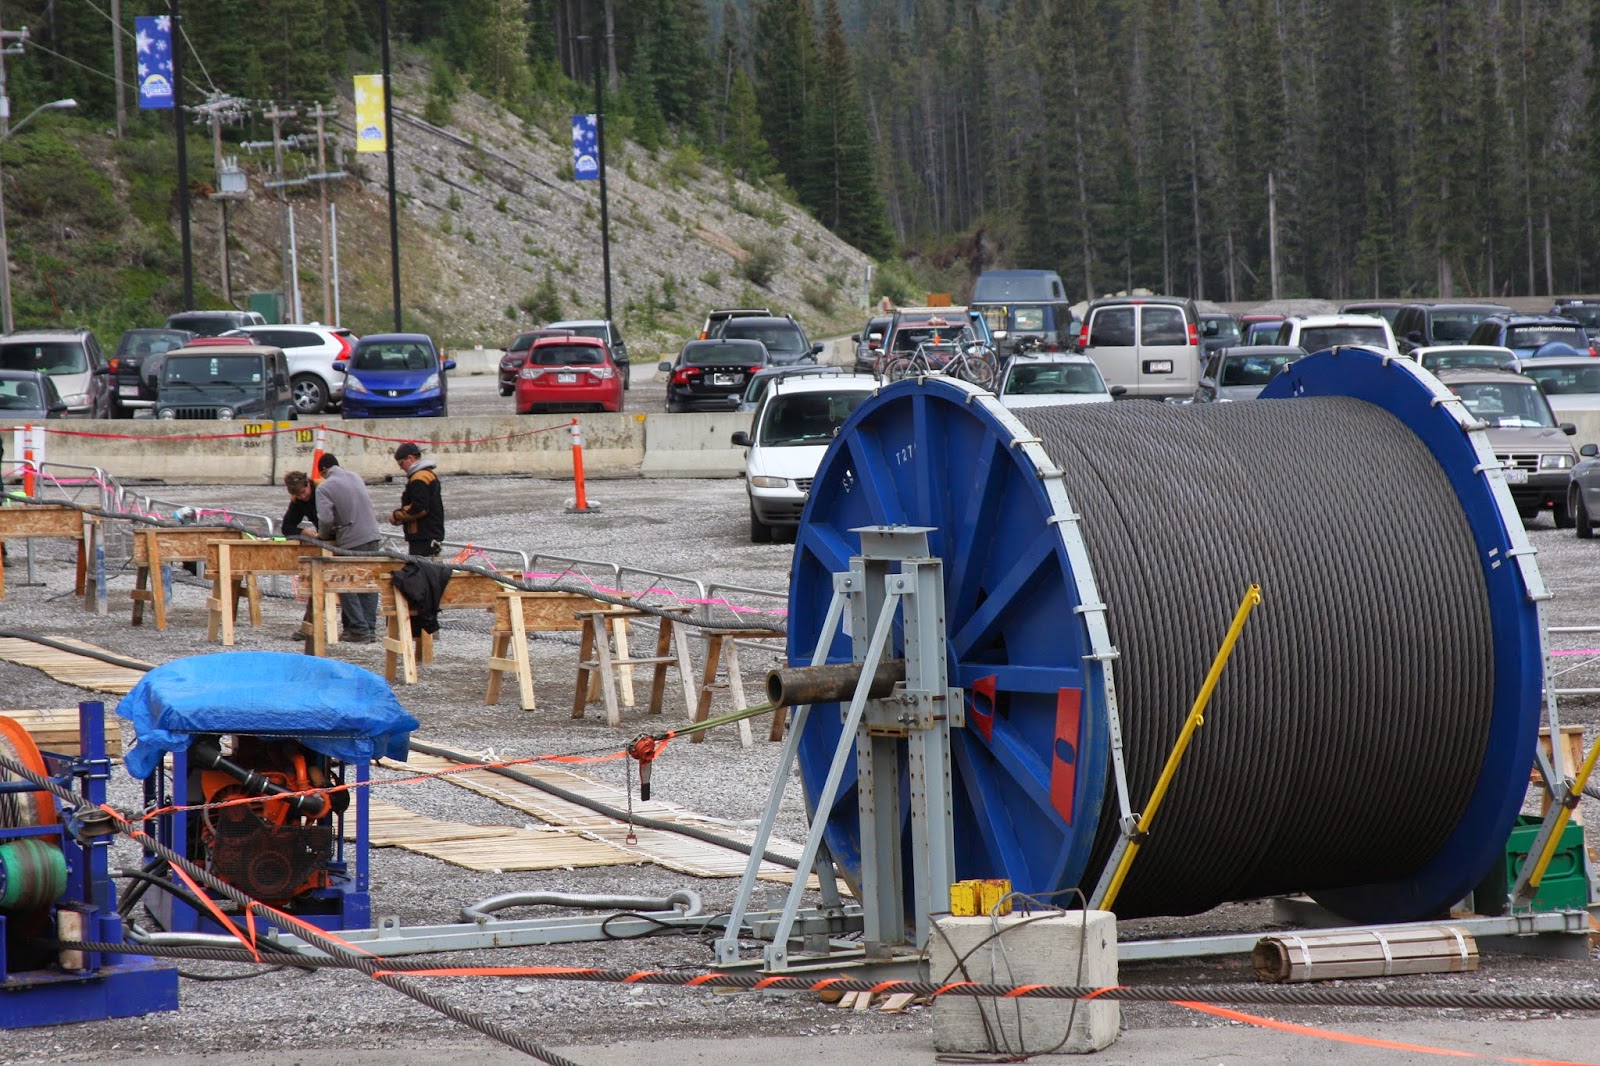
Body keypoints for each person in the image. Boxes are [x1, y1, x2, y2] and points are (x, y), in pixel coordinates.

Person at [314, 453, 383, 643]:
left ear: (323, 471)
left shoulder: (324, 487)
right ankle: (369, 628)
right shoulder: (355, 477)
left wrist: (323, 535)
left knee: (346, 583)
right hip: (372, 535)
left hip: (352, 540)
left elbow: (326, 519)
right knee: (368, 582)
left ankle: (358, 630)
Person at [389, 442, 445, 557]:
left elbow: (419, 508)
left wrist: (397, 515)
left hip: (423, 535)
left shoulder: (419, 478)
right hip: (430, 534)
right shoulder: (426, 474)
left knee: (420, 566)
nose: (401, 468)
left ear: (410, 458)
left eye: (401, 463)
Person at [280, 470, 317, 536]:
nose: (303, 497)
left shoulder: (321, 491)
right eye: (298, 495)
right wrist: (302, 532)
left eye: (303, 492)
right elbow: (286, 527)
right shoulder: (297, 501)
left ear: (308, 483)